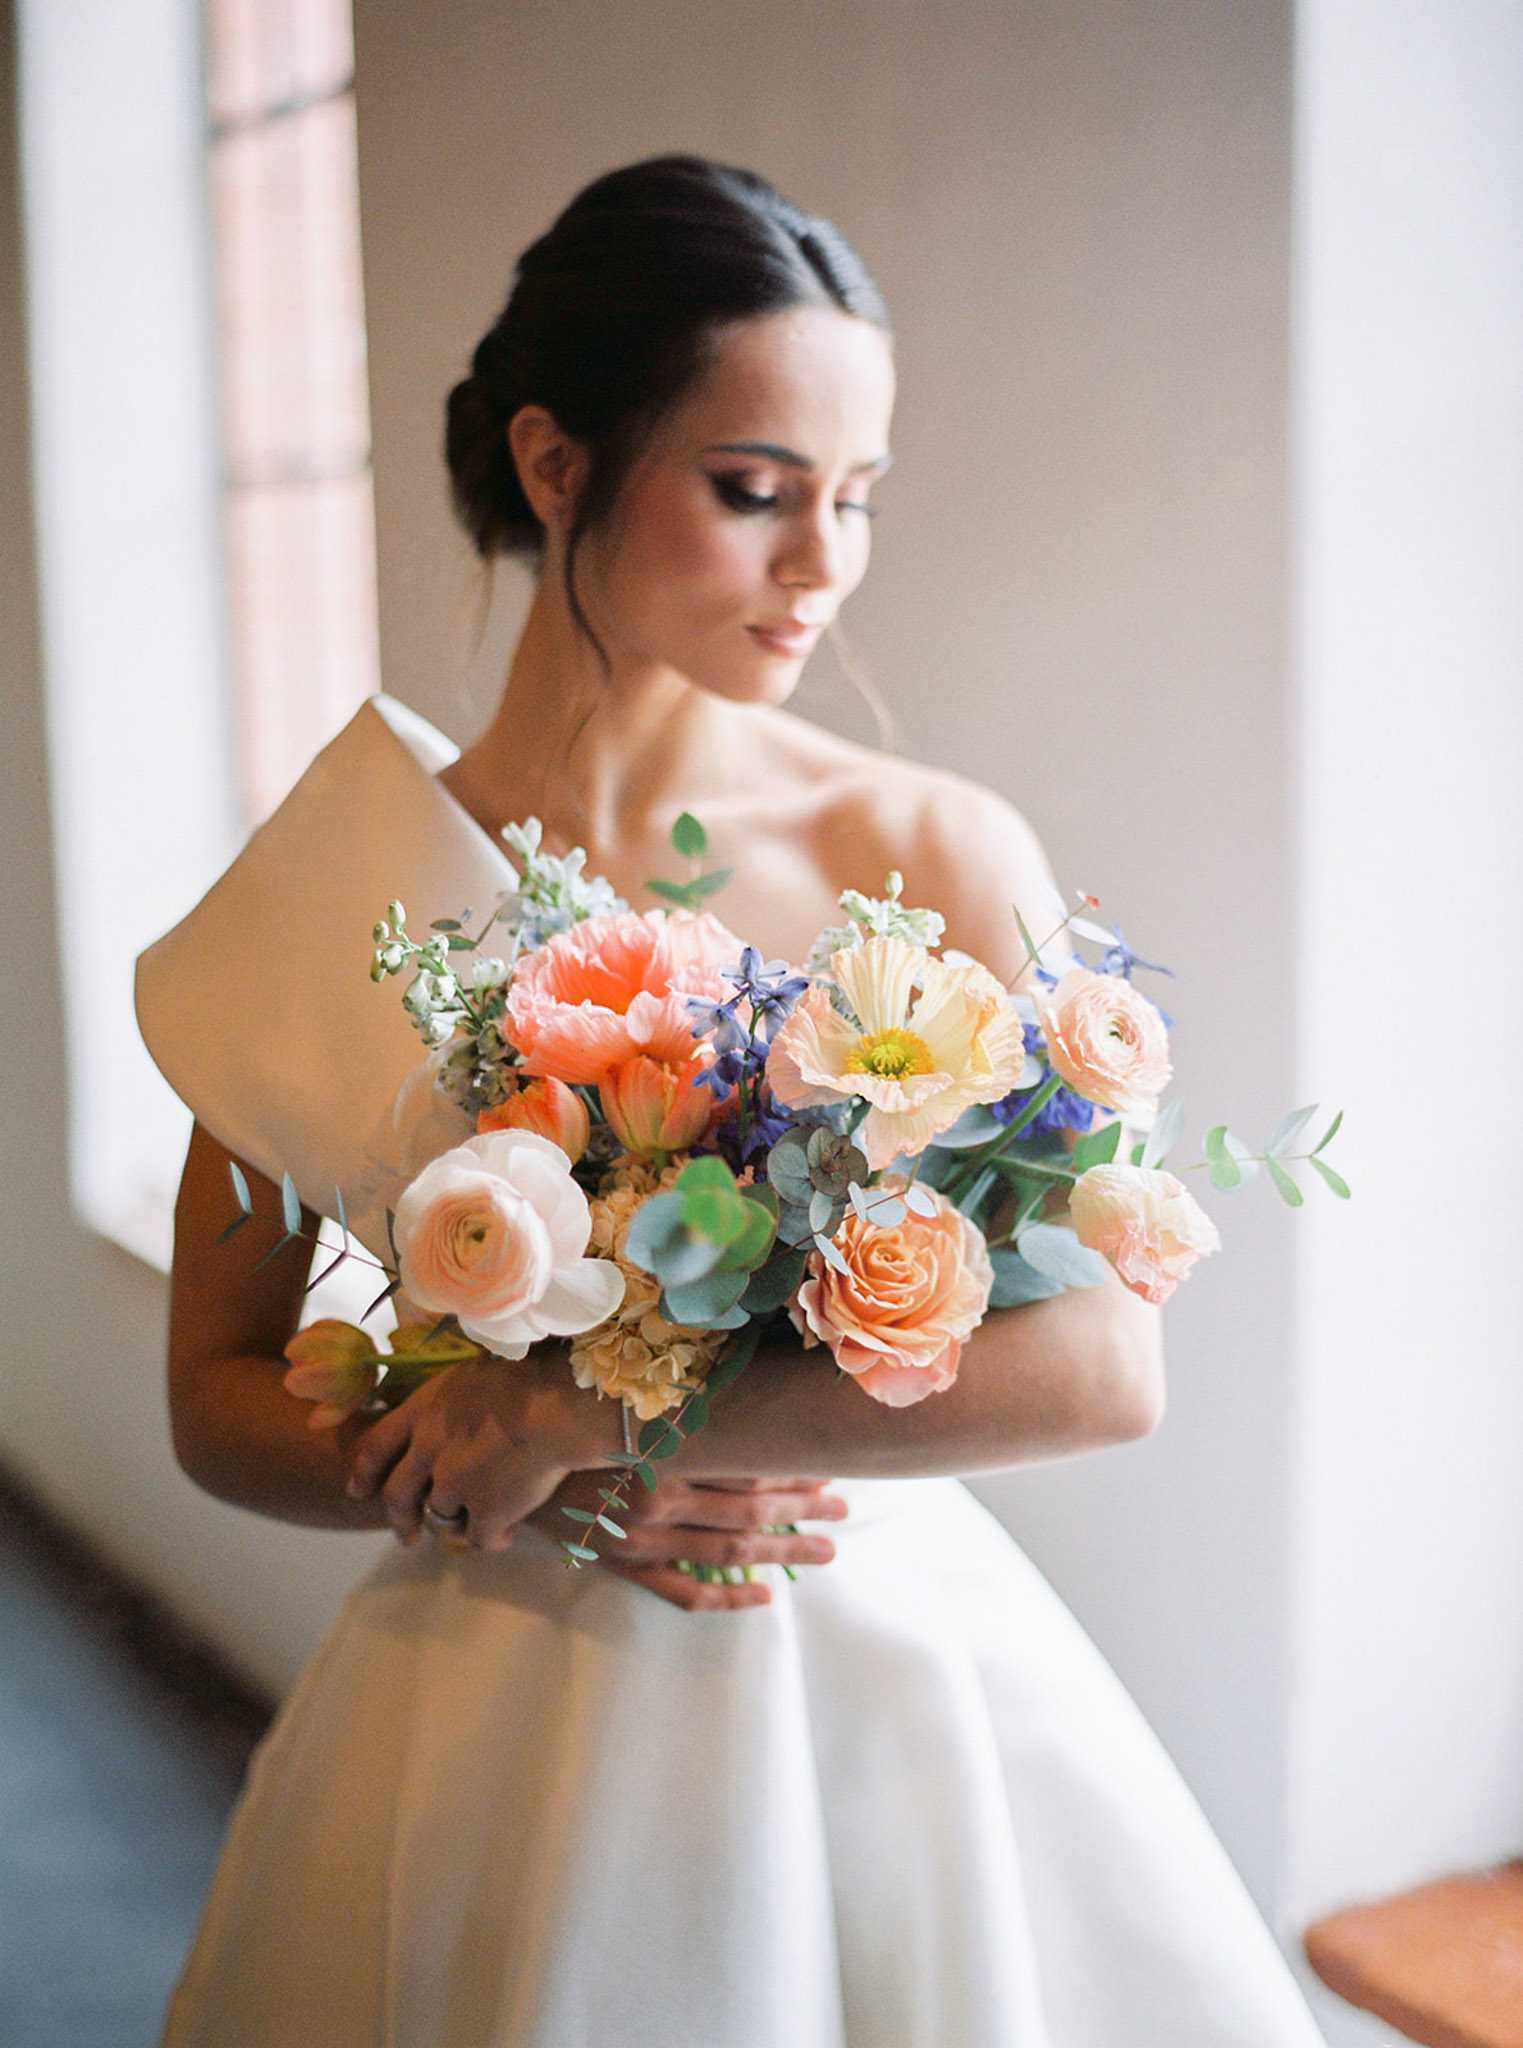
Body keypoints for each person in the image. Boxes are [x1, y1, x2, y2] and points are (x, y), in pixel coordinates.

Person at [139, 154, 1328, 2045]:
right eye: (756, 490)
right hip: (488, 1684)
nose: (823, 564)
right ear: (554, 463)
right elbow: (212, 1397)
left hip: (870, 1694)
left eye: (853, 501)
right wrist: (494, 1488)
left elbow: (1108, 1368)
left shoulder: (922, 839)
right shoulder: (353, 884)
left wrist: (582, 1422)